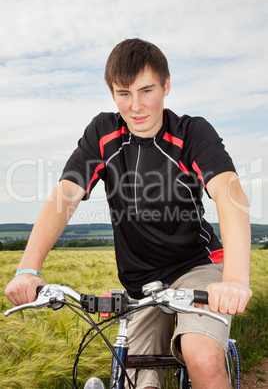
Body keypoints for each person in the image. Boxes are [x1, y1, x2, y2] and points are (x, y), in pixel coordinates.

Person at [5, 38, 252, 389]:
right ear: (112, 94)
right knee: (138, 380)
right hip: (140, 285)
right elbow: (65, 195)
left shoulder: (192, 132)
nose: (135, 106)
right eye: (123, 93)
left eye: (146, 90)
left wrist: (236, 280)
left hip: (198, 268)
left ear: (166, 86)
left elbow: (230, 194)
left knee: (202, 357)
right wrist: (28, 270)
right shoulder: (104, 133)